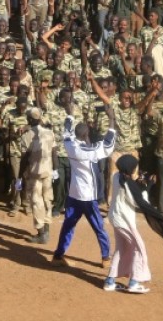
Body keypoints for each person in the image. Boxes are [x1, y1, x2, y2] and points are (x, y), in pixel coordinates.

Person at [51, 105, 117, 268]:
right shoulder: (92, 151)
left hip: (74, 194)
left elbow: (66, 131)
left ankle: (58, 255)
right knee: (99, 228)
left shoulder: (70, 146)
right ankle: (105, 258)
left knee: (68, 226)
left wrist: (70, 114)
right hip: (88, 197)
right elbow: (108, 144)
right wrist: (111, 119)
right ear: (87, 134)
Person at [102, 155, 163, 293]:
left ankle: (110, 281)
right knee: (139, 248)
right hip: (124, 220)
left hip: (115, 218)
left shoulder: (116, 176)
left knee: (122, 248)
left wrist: (141, 183)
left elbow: (131, 187)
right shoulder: (127, 183)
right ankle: (134, 282)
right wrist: (146, 188)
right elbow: (138, 201)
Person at [21, 107, 58, 244]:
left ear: (29, 119)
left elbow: (25, 159)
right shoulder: (49, 133)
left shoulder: (26, 136)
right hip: (48, 172)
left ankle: (41, 233)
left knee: (37, 202)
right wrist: (56, 169)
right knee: (48, 200)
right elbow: (55, 152)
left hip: (34, 174)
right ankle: (46, 230)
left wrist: (19, 176)